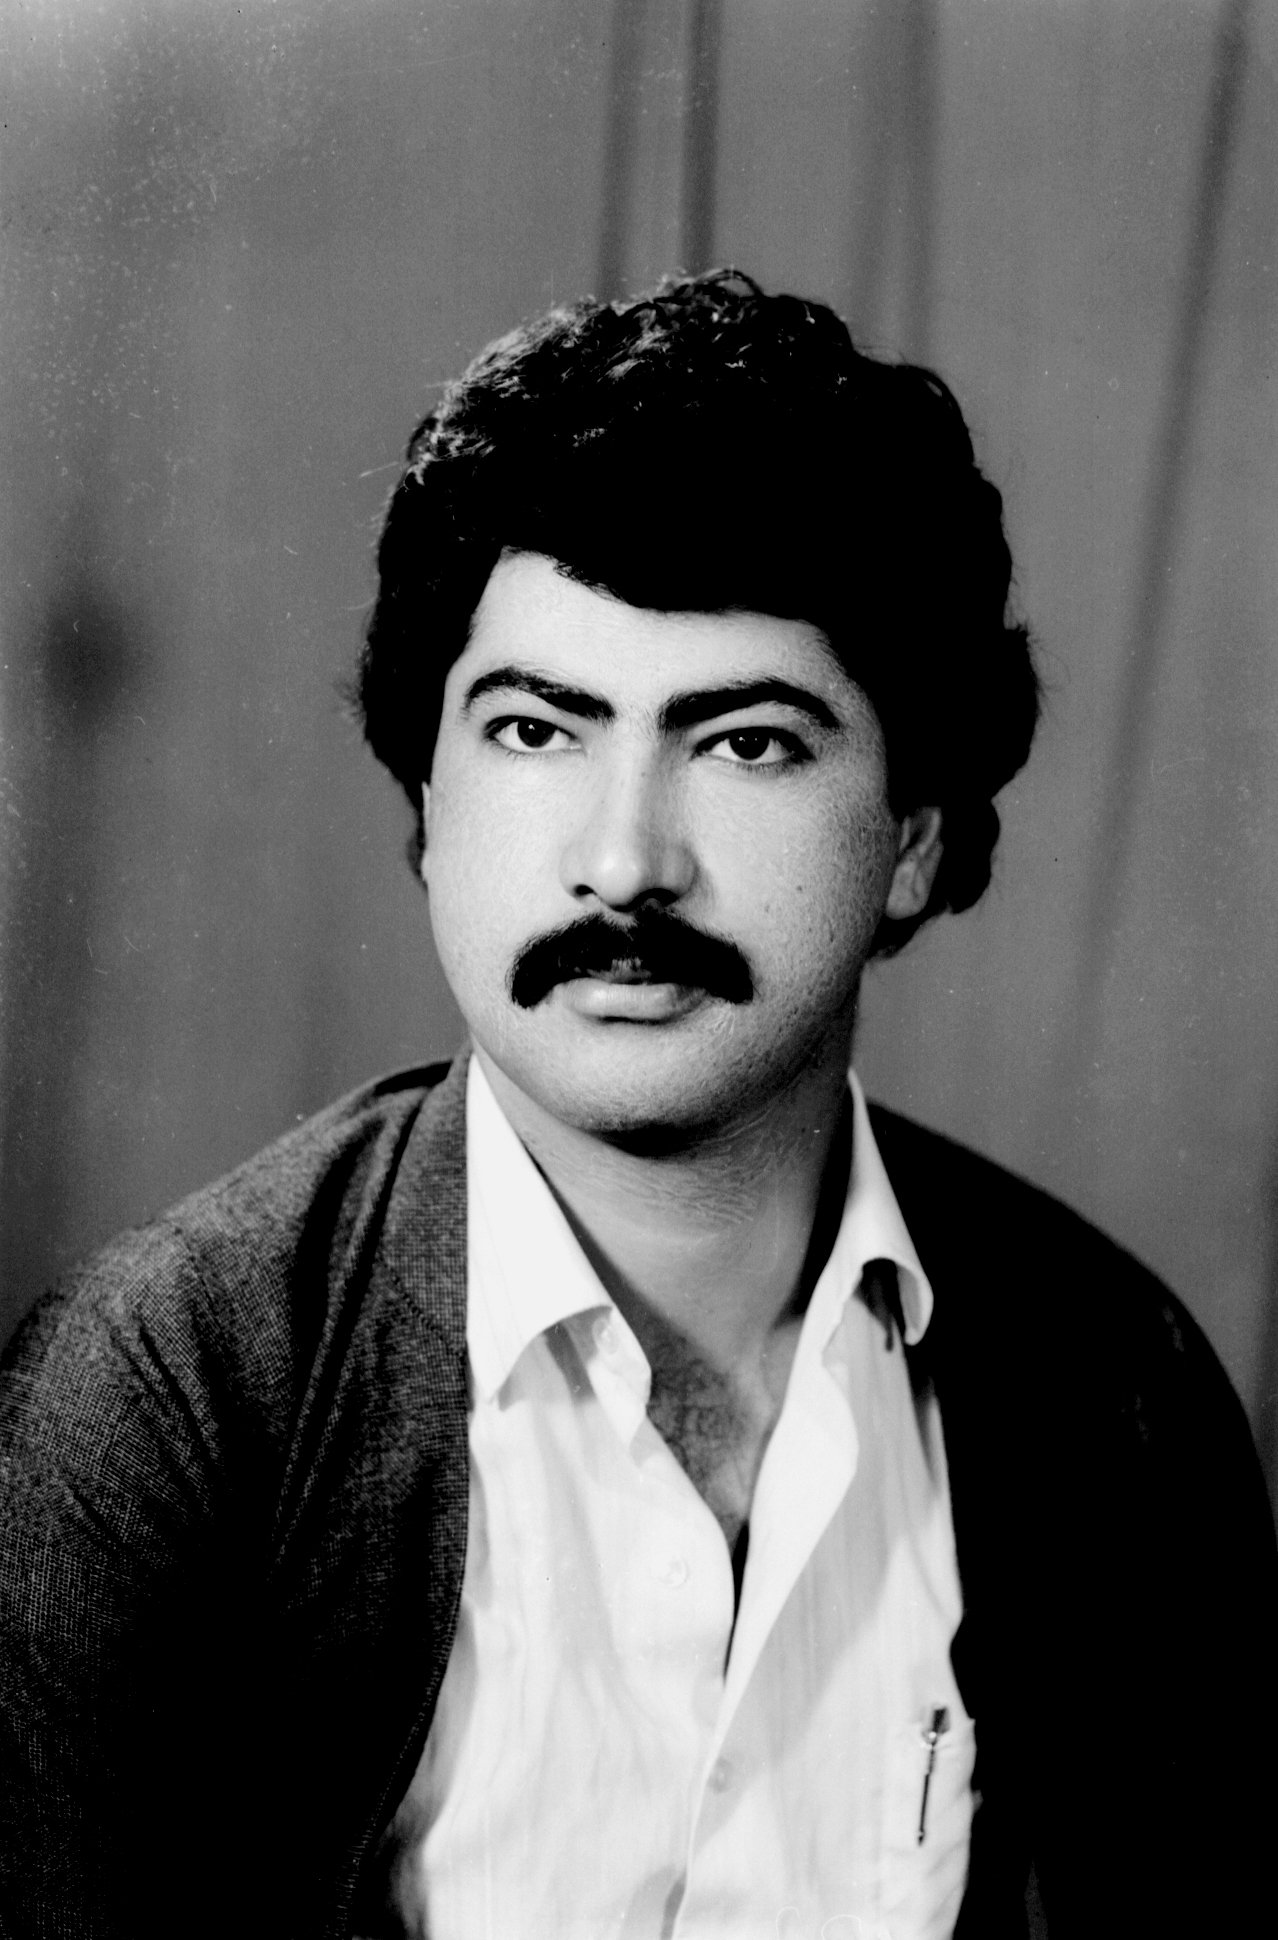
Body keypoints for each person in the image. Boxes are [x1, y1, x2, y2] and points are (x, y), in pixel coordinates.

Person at [1, 270, 1273, 1940]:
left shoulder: (1116, 1387)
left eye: (745, 744)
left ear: (912, 838)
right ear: (430, 805)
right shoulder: (159, 1402)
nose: (622, 861)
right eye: (536, 729)